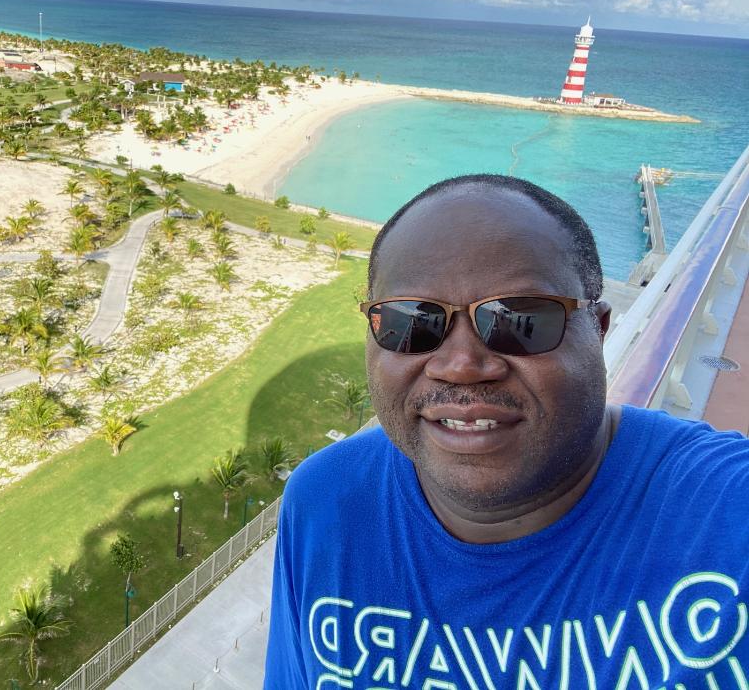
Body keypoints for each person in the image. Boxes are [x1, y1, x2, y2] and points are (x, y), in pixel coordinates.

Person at [263, 174, 748, 689]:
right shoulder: (325, 503)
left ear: (599, 330)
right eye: (411, 322)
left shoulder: (725, 513)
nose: (462, 365)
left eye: (521, 320)